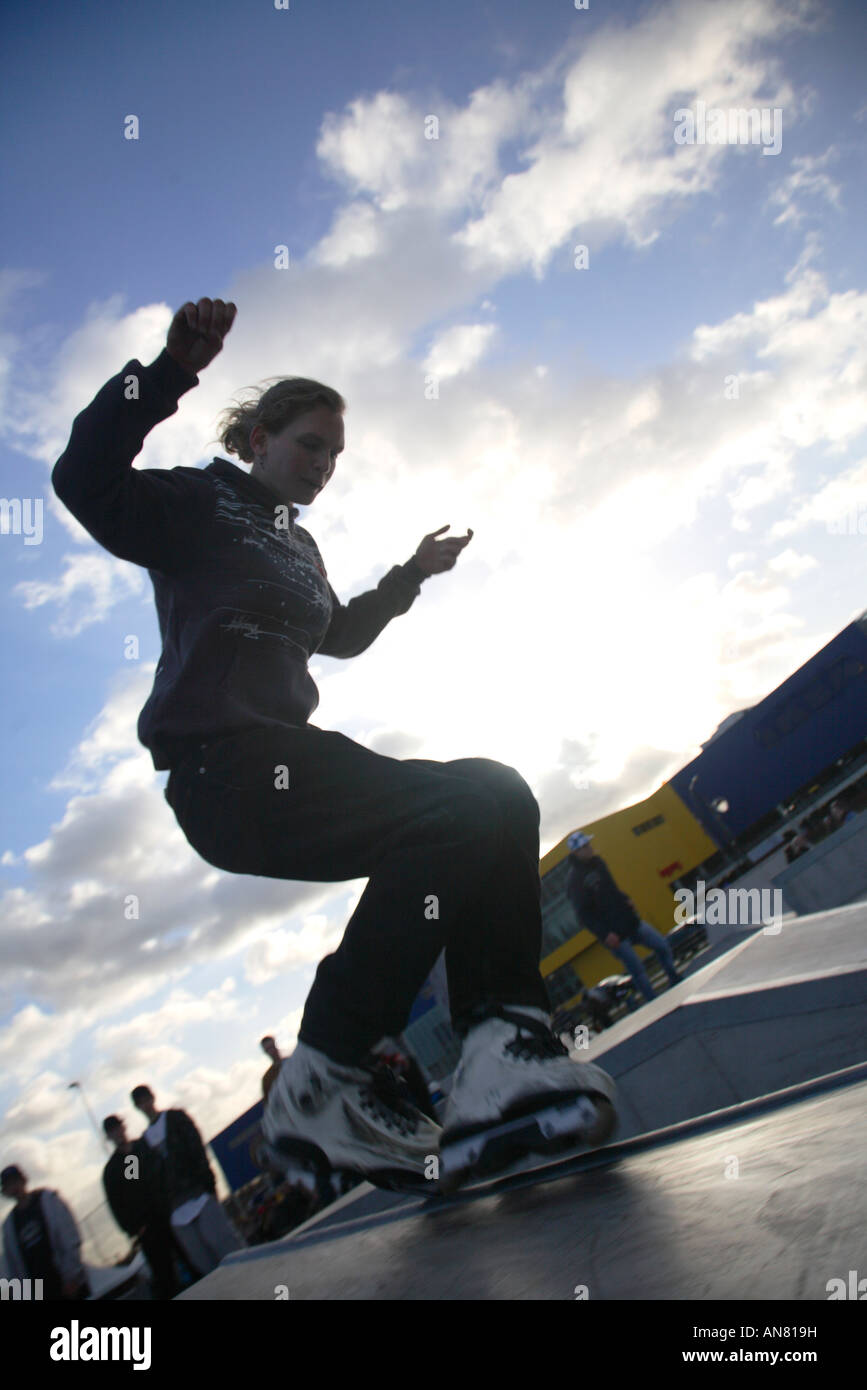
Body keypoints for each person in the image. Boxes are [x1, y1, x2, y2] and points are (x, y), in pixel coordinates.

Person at [52, 295, 617, 1194]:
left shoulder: (301, 547)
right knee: (459, 808)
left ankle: (500, 1046)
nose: (322, 467)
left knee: (497, 793)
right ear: (260, 439)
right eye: (309, 446)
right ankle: (325, 1073)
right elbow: (84, 479)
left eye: (334, 456)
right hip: (223, 771)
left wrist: (411, 574)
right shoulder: (196, 502)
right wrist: (168, 371)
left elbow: (340, 635)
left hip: (285, 762)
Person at [130, 1086, 245, 1278]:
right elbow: (140, 1179)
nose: (145, 1105)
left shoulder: (176, 1119)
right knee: (204, 1263)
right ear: (137, 1108)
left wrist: (208, 1183)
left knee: (227, 1246)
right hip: (176, 1211)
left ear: (153, 1098)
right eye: (140, 1103)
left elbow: (197, 1148)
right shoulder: (140, 1146)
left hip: (199, 1194)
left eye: (146, 1099)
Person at [565, 832, 681, 1003]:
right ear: (577, 852)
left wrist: (625, 899)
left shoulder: (598, 863)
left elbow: (611, 889)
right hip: (612, 932)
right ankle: (653, 1001)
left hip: (628, 920)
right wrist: (605, 934)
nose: (589, 848)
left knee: (661, 945)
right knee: (637, 969)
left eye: (588, 844)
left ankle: (674, 977)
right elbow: (583, 914)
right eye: (585, 847)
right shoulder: (575, 880)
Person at [101, 1115, 179, 1299]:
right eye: (113, 1131)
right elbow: (118, 1203)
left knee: (190, 1257)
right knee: (165, 1276)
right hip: (149, 1228)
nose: (117, 1133)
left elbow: (161, 1170)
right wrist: (136, 1228)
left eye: (118, 1128)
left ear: (123, 1127)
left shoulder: (143, 1145)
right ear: (109, 1136)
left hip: (169, 1214)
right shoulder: (114, 1168)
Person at [0, 1165, 90, 1300]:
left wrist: (72, 1277)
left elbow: (69, 1238)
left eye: (15, 1181)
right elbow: (13, 1267)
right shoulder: (9, 1227)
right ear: (5, 1192)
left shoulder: (48, 1200)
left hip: (69, 1285)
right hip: (40, 1293)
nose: (14, 1187)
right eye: (9, 1185)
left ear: (23, 1180)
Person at [260, 1036, 282, 1103]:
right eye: (268, 1049)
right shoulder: (267, 1079)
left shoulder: (292, 1063)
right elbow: (269, 1103)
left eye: (272, 1046)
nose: (272, 1051)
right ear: (265, 1052)